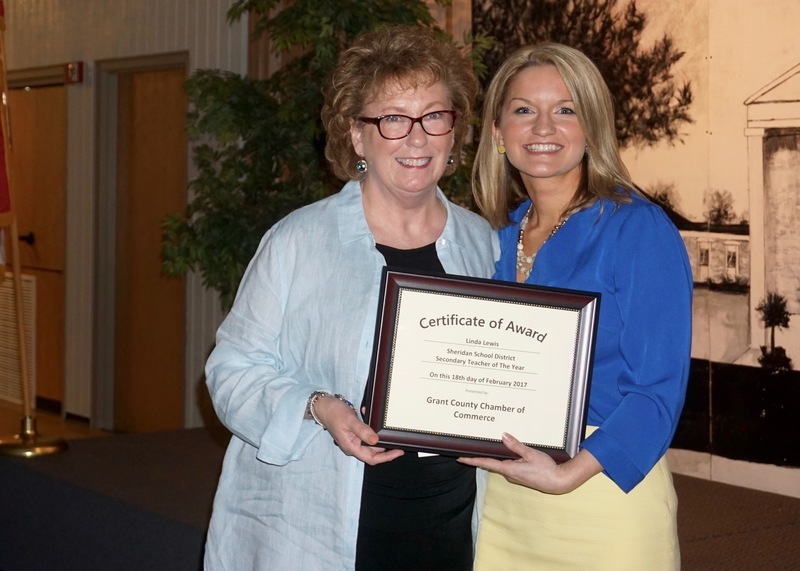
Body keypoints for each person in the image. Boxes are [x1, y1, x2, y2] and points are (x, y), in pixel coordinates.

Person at [202, 24, 498, 570]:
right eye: (392, 119)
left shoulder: (482, 243)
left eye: (435, 115)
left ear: (455, 131)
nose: (417, 138)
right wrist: (317, 407)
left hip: (448, 528)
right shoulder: (298, 241)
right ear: (357, 137)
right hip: (320, 529)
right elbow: (231, 371)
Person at [459, 42, 693, 569]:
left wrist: (569, 473)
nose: (544, 127)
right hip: (498, 503)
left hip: (604, 496)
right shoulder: (489, 239)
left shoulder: (638, 230)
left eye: (565, 110)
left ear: (592, 128)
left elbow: (657, 391)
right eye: (524, 110)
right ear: (497, 133)